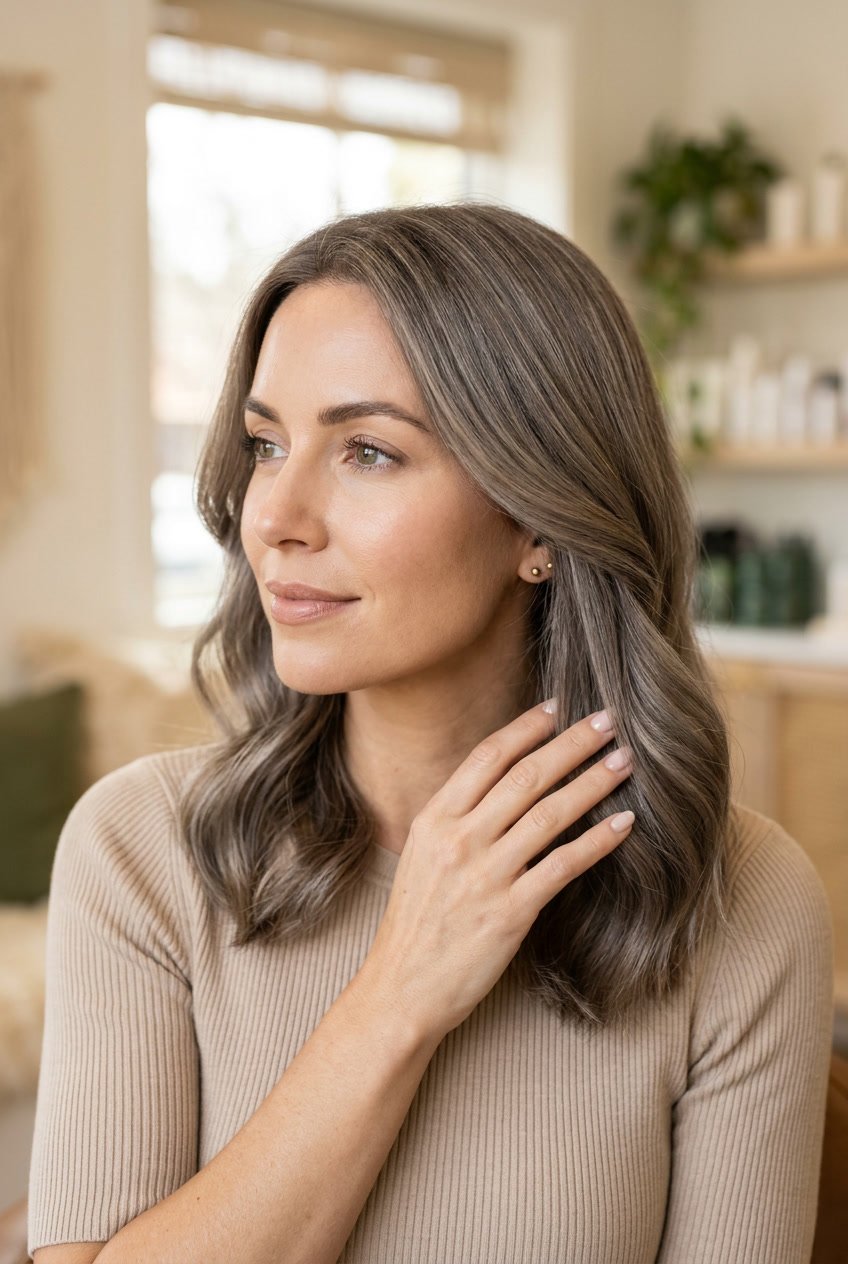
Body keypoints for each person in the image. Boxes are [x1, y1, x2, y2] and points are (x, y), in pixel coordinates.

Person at [28, 202, 833, 1264]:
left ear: (539, 512)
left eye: (365, 451)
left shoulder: (739, 899)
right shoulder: (139, 851)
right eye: (266, 444)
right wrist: (399, 992)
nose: (273, 514)